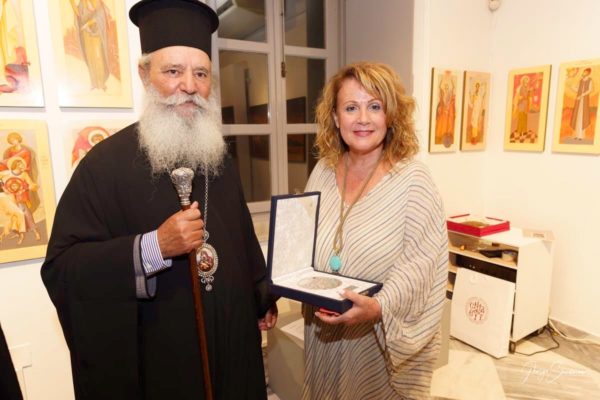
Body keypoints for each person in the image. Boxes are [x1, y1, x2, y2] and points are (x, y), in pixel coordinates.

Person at [41, 1, 277, 399]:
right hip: (160, 370)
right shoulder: (103, 166)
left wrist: (260, 295)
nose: (189, 86)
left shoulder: (218, 159)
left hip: (232, 354)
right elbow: (63, 269)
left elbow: (242, 241)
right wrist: (153, 247)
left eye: (201, 73)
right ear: (144, 74)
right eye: (173, 71)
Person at [302, 62, 448, 399]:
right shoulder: (322, 171)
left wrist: (379, 307)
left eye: (375, 106)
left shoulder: (414, 180)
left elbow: (421, 264)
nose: (363, 119)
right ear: (335, 117)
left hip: (376, 339)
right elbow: (304, 236)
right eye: (351, 108)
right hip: (323, 329)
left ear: (391, 115)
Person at [69, 0, 110, 91]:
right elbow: (79, 16)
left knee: (98, 57)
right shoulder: (82, 3)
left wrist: (87, 24)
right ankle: (94, 82)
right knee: (90, 57)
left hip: (96, 33)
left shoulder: (97, 2)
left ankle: (101, 82)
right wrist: (72, 4)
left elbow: (99, 17)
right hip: (86, 34)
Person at [569, 67, 593, 141]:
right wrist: (573, 87)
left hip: (584, 100)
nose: (583, 73)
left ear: (588, 73)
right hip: (579, 100)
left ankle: (581, 136)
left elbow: (590, 90)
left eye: (585, 72)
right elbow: (577, 89)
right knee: (577, 117)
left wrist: (582, 95)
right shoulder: (581, 80)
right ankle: (576, 135)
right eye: (583, 72)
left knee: (582, 117)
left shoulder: (590, 80)